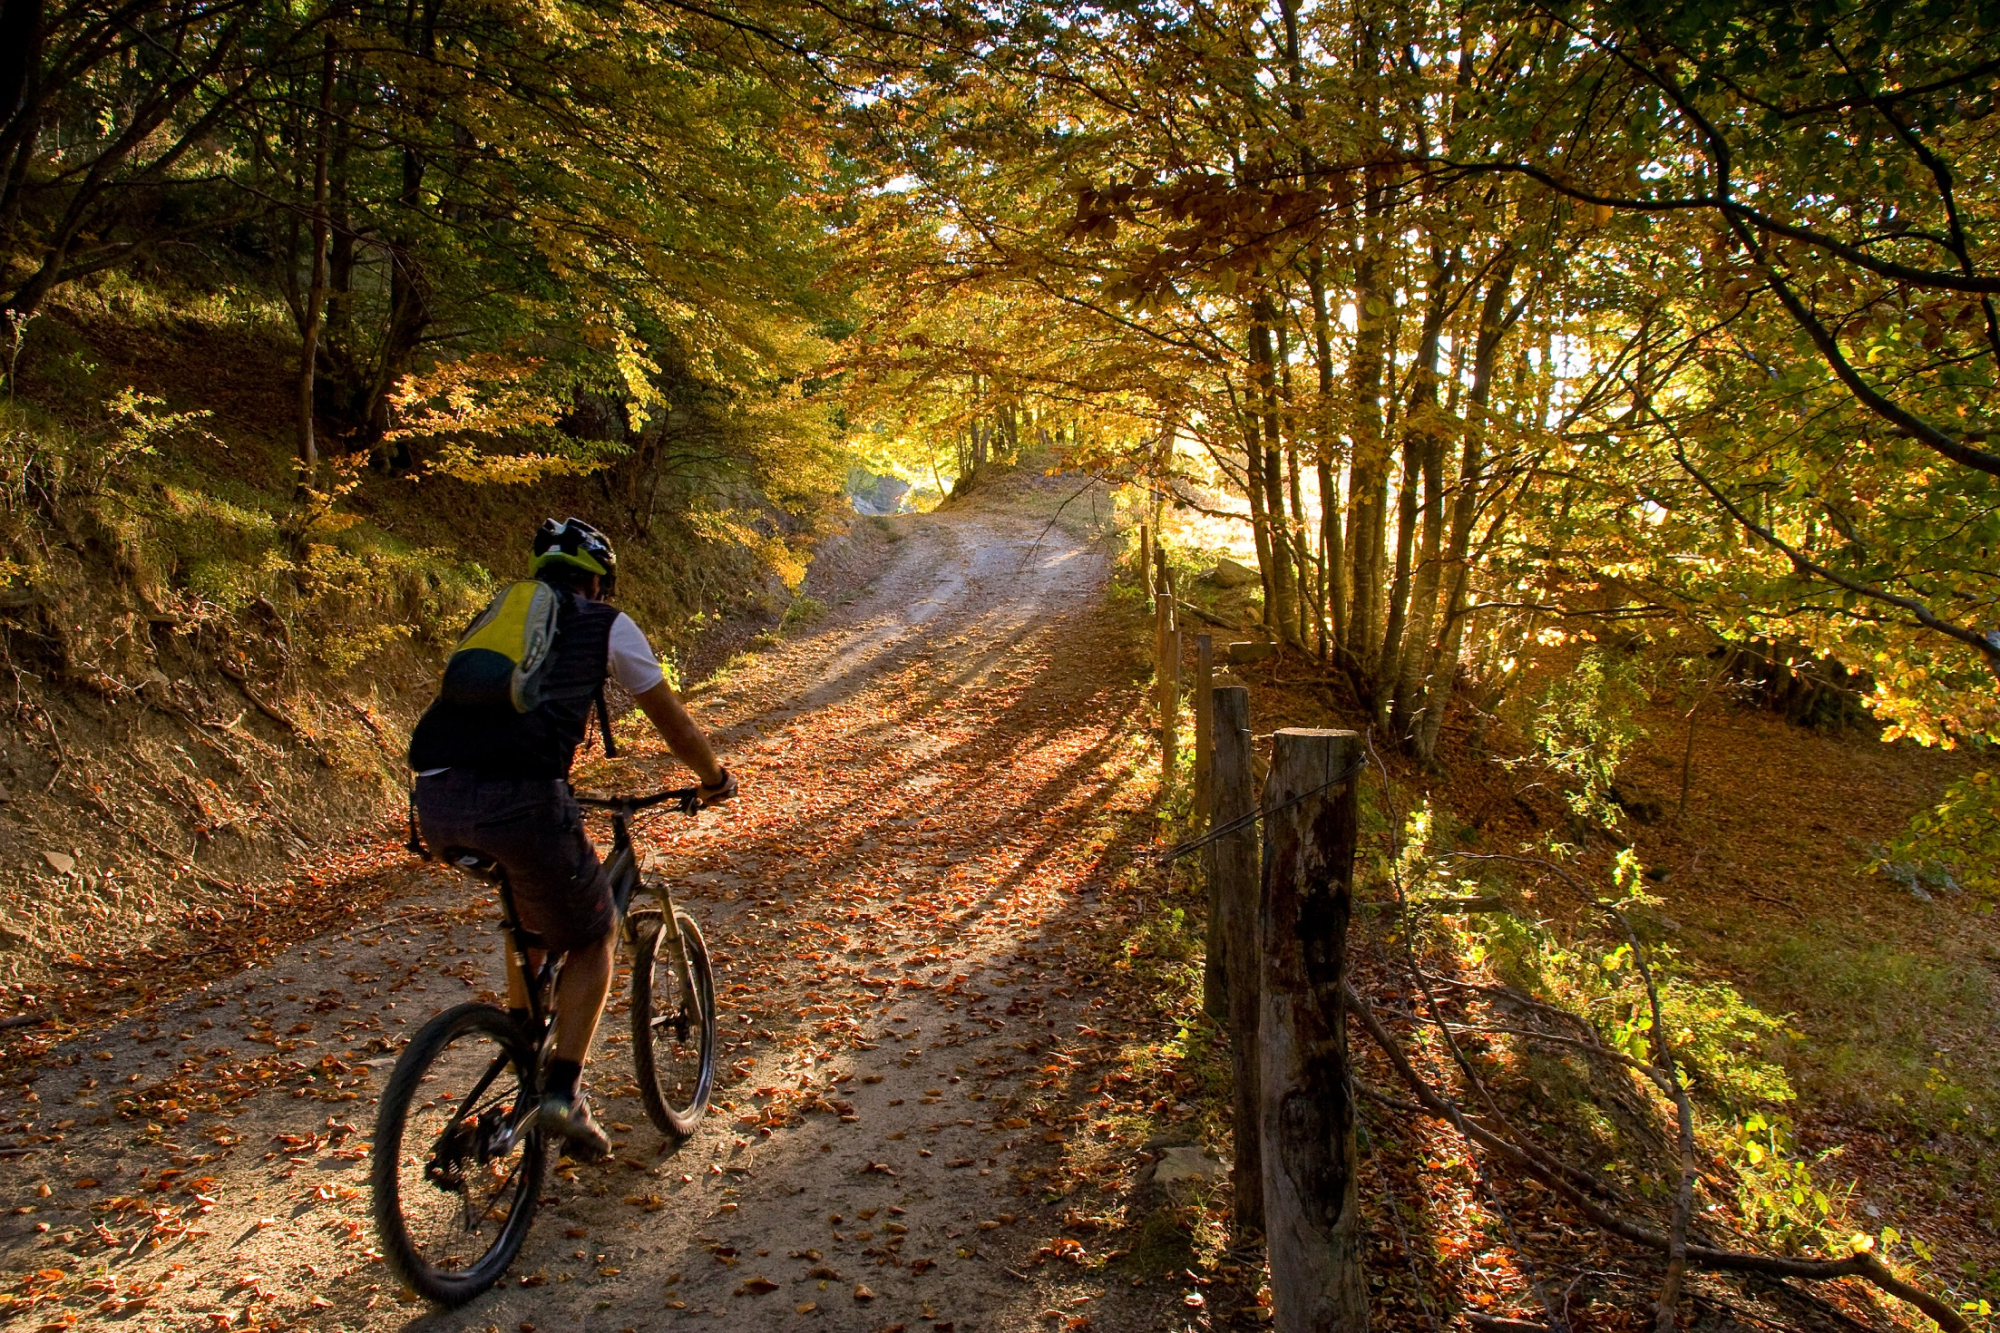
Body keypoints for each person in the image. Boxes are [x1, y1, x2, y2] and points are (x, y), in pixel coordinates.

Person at [408, 517, 735, 1159]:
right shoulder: (605, 623)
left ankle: (522, 1039)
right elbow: (669, 719)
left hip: (436, 796)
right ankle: (562, 1093)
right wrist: (714, 777)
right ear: (598, 580)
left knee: (531, 914)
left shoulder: (502, 615)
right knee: (594, 936)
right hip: (521, 799)